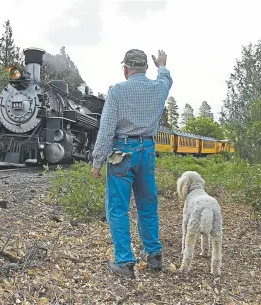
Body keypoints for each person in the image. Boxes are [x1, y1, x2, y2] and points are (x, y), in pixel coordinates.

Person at [91, 49, 173, 279]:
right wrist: (163, 65)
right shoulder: (158, 88)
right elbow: (166, 79)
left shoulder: (117, 91)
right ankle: (154, 255)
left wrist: (98, 160)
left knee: (118, 208)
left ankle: (125, 262)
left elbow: (106, 129)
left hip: (121, 153)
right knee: (148, 203)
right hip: (147, 150)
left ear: (125, 69)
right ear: (146, 68)